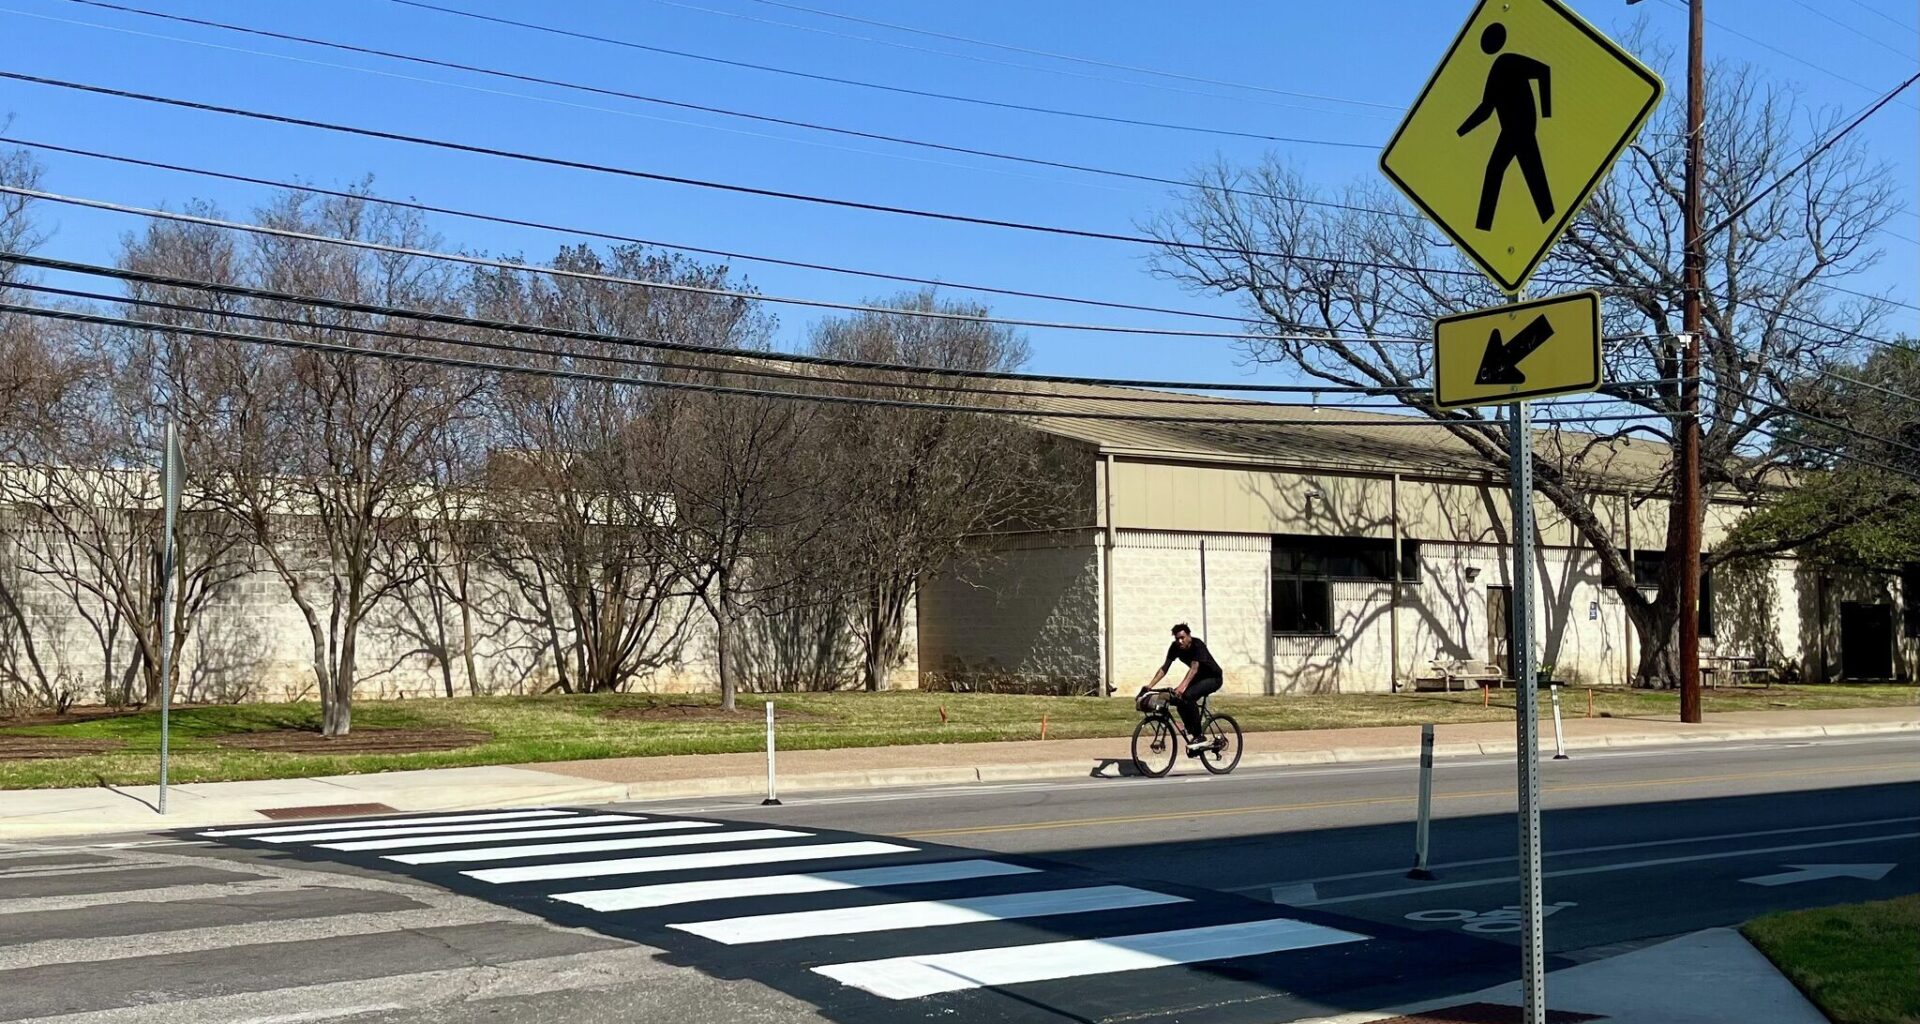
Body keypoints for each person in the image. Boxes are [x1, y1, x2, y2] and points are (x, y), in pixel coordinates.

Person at [1147, 623, 1223, 755]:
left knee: (1188, 696)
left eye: (1182, 637)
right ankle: (1193, 734)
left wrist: (1181, 687)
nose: (1180, 641)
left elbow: (1194, 669)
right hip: (1199, 677)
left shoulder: (1197, 645)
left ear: (1189, 636)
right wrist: (1150, 685)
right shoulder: (1175, 647)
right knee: (1178, 700)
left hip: (1213, 677)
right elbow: (1165, 668)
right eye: (1177, 638)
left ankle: (1199, 736)